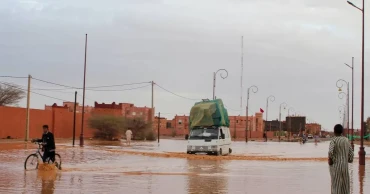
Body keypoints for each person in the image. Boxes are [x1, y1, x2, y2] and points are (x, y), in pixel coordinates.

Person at [328, 124, 354, 194]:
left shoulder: (334, 140)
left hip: (336, 167)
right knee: (345, 187)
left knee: (336, 186)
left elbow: (330, 152)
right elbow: (351, 154)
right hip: (345, 167)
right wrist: (348, 160)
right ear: (342, 131)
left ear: (334, 131)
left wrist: (331, 160)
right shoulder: (346, 140)